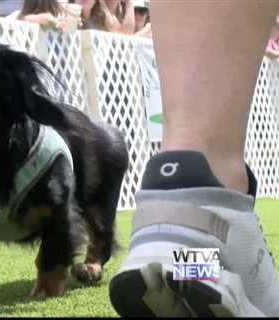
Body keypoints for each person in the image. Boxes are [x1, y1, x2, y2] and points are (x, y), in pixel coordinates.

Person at [109, 0, 279, 317]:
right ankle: (212, 228)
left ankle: (184, 235)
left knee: (190, 259)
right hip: (219, 223)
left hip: (161, 201)